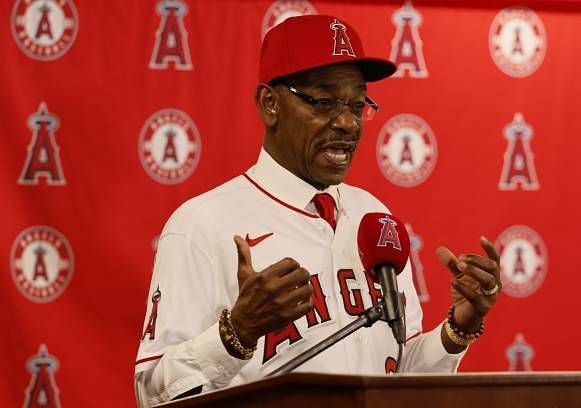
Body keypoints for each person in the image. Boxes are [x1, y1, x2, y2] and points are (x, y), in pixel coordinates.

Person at [134, 14, 501, 407]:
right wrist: (236, 331)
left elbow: (399, 375)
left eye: (358, 105)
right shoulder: (203, 223)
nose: (347, 122)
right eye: (324, 102)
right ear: (270, 104)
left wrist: (458, 327)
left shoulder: (373, 218)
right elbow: (151, 394)